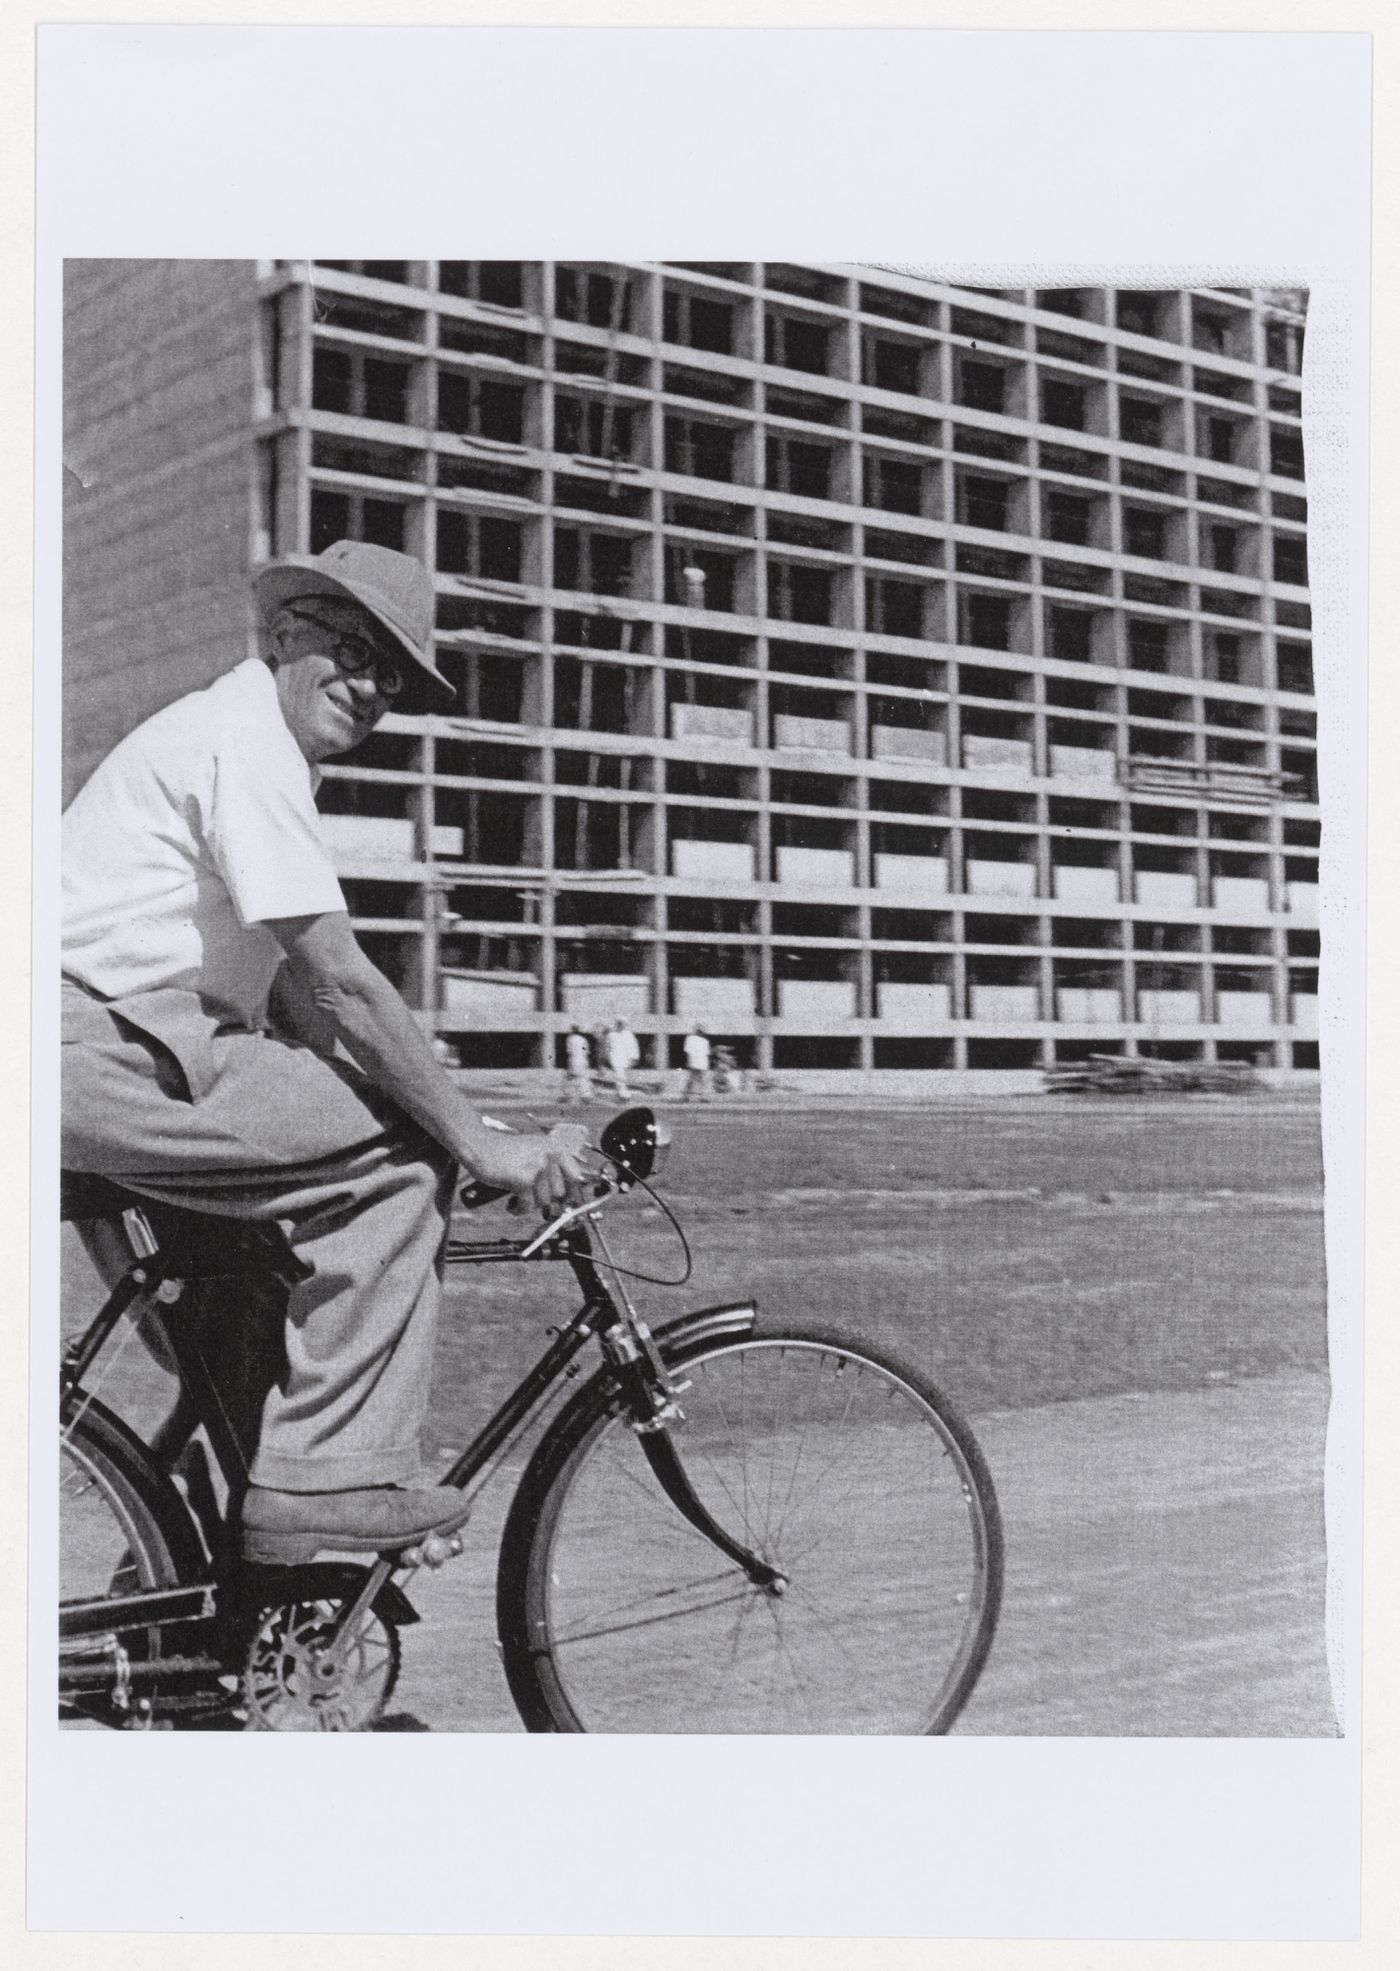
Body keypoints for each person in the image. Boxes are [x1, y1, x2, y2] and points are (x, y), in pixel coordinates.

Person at [61, 539, 587, 1565]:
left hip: (112, 1056)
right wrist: (474, 1142)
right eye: (351, 650)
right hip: (106, 1046)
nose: (368, 686)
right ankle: (327, 1486)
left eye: (390, 673)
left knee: (253, 1294)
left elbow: (302, 1005)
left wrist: (460, 1115)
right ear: (284, 633)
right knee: (398, 1166)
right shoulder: (244, 740)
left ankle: (209, 1566)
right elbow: (343, 979)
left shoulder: (245, 746)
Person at [601, 1016, 640, 1100]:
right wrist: (606, 1058)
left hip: (626, 1059)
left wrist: (634, 1058)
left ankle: (622, 1094)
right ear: (617, 1024)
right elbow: (607, 1047)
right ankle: (623, 1095)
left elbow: (633, 1046)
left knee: (623, 1077)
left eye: (622, 1023)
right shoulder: (611, 1035)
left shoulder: (629, 1034)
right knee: (619, 1076)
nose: (620, 1025)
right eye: (619, 1023)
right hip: (615, 1059)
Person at [563, 1024, 592, 1107]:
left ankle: (569, 1096)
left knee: (571, 1078)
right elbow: (586, 1051)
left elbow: (569, 1051)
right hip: (583, 1059)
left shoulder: (570, 1039)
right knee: (583, 1078)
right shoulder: (583, 1039)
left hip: (574, 1059)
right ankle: (586, 1097)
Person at [681, 1024, 711, 1102]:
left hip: (694, 1062)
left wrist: (688, 1062)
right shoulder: (705, 1041)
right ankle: (702, 1097)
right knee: (701, 1081)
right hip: (702, 1063)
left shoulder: (690, 1039)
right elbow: (706, 1054)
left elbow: (688, 1052)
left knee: (691, 1080)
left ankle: (686, 1097)